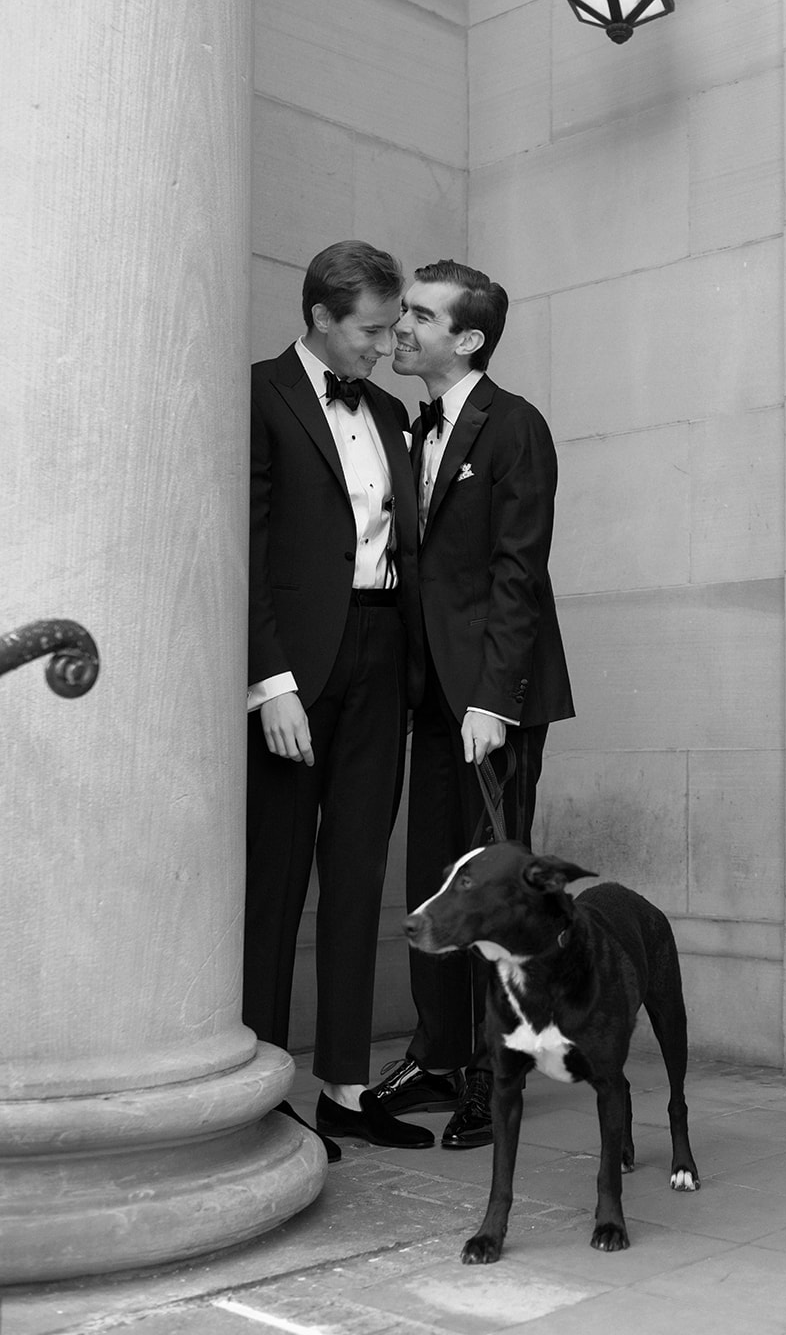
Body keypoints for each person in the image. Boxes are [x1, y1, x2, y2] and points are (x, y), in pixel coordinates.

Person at [369, 259, 575, 1148]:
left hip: (491, 703)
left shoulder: (514, 427)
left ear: (468, 339)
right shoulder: (409, 428)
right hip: (428, 697)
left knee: (492, 898)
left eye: (419, 314)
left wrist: (492, 701)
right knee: (432, 886)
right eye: (402, 311)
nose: (400, 326)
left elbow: (517, 575)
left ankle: (497, 1072)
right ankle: (439, 1049)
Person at [244, 240, 432, 1156]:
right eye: (370, 328)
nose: (382, 343)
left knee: (359, 875)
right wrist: (268, 683)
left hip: (381, 651)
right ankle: (262, 1084)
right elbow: (244, 550)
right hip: (295, 672)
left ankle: (346, 1089)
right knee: (276, 885)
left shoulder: (391, 410)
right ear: (320, 316)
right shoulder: (258, 394)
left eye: (393, 325)